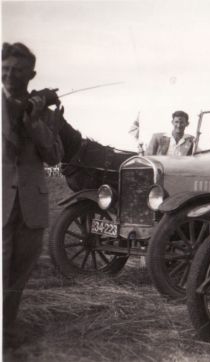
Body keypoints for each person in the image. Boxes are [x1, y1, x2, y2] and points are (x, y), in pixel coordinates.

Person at [2, 42, 64, 347]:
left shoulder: (44, 110)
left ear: (32, 74)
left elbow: (54, 156)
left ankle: (8, 328)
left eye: (19, 70)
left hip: (31, 206)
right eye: (6, 69)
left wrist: (36, 120)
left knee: (19, 274)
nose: (11, 75)